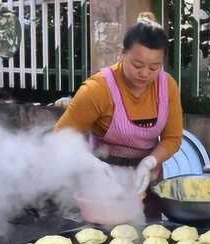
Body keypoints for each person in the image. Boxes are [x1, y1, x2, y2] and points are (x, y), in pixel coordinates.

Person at [54, 12, 183, 219]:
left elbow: (172, 137)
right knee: (104, 243)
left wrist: (149, 162)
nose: (145, 74)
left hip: (147, 179)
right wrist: (91, 164)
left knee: (150, 239)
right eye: (137, 65)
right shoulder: (97, 89)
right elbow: (60, 138)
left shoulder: (168, 86)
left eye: (154, 67)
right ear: (122, 54)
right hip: (103, 184)